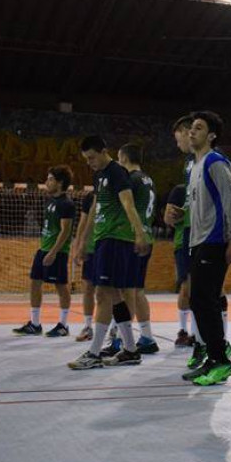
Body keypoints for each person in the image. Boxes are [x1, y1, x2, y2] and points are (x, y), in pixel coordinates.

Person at [68, 136, 150, 369]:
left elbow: (128, 204)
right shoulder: (100, 175)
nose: (89, 162)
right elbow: (96, 207)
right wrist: (83, 239)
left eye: (92, 157)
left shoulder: (117, 172)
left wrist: (139, 233)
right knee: (114, 296)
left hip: (116, 239)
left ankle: (94, 353)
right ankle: (131, 350)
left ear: (104, 151)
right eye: (86, 159)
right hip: (103, 239)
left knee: (103, 294)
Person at [177, 111, 231, 386]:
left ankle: (220, 359)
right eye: (191, 128)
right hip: (198, 240)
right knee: (200, 300)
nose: (192, 132)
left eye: (199, 128)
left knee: (204, 300)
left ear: (212, 135)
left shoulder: (216, 162)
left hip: (215, 241)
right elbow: (196, 206)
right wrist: (179, 215)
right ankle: (213, 355)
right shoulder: (194, 165)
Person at [14, 165, 76, 337]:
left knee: (61, 287)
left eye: (50, 179)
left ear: (60, 182)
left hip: (57, 252)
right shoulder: (50, 201)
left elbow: (66, 231)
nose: (46, 182)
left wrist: (54, 252)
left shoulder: (67, 204)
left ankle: (63, 325)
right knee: (35, 283)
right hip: (43, 249)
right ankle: (35, 324)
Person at [117, 143, 158, 355]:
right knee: (138, 290)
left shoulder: (130, 179)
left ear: (123, 157)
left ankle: (124, 341)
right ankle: (147, 336)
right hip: (148, 236)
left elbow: (128, 208)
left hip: (134, 238)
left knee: (128, 290)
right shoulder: (148, 179)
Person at [165, 114, 196, 348]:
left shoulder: (209, 160)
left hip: (201, 234)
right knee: (187, 284)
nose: (178, 145)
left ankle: (197, 334)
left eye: (178, 140)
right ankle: (186, 331)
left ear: (188, 132)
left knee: (197, 287)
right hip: (186, 234)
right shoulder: (189, 164)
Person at [71, 190, 96, 342]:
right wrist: (78, 246)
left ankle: (114, 328)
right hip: (91, 248)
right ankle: (88, 326)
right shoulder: (90, 196)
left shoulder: (117, 191)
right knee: (88, 287)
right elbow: (83, 221)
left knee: (110, 291)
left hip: (107, 245)